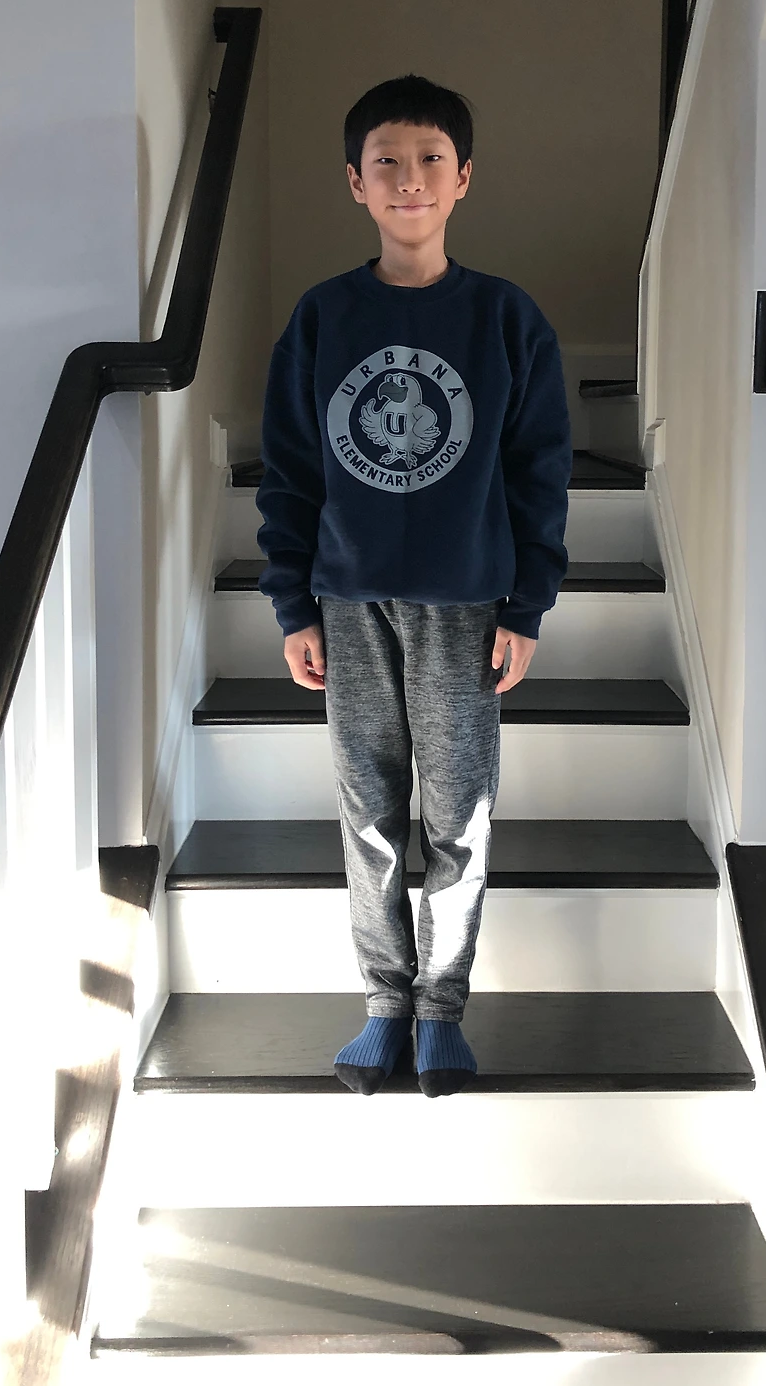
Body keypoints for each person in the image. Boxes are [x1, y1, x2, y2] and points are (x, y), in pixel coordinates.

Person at [256, 74, 572, 1097]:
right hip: (348, 601)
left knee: (458, 813)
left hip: (466, 600)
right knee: (368, 809)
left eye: (430, 158)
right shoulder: (322, 317)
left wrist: (526, 605)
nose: (409, 179)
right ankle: (384, 1001)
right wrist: (293, 602)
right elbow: (291, 469)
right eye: (385, 161)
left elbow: (538, 471)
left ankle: (441, 1006)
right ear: (354, 182)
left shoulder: (504, 319)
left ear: (463, 177)